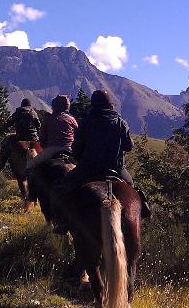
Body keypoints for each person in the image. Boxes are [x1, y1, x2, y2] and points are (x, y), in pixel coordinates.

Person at [51, 90, 134, 232]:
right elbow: (129, 146)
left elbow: (76, 149)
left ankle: (62, 222)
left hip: (89, 168)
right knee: (132, 187)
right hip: (116, 168)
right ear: (110, 104)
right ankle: (143, 212)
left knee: (62, 187)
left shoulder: (86, 122)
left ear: (93, 104)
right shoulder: (121, 122)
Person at [33, 94, 78, 165]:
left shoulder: (47, 119)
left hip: (51, 150)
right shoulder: (72, 119)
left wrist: (45, 147)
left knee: (32, 164)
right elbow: (78, 135)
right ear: (67, 106)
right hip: (69, 149)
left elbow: (42, 138)